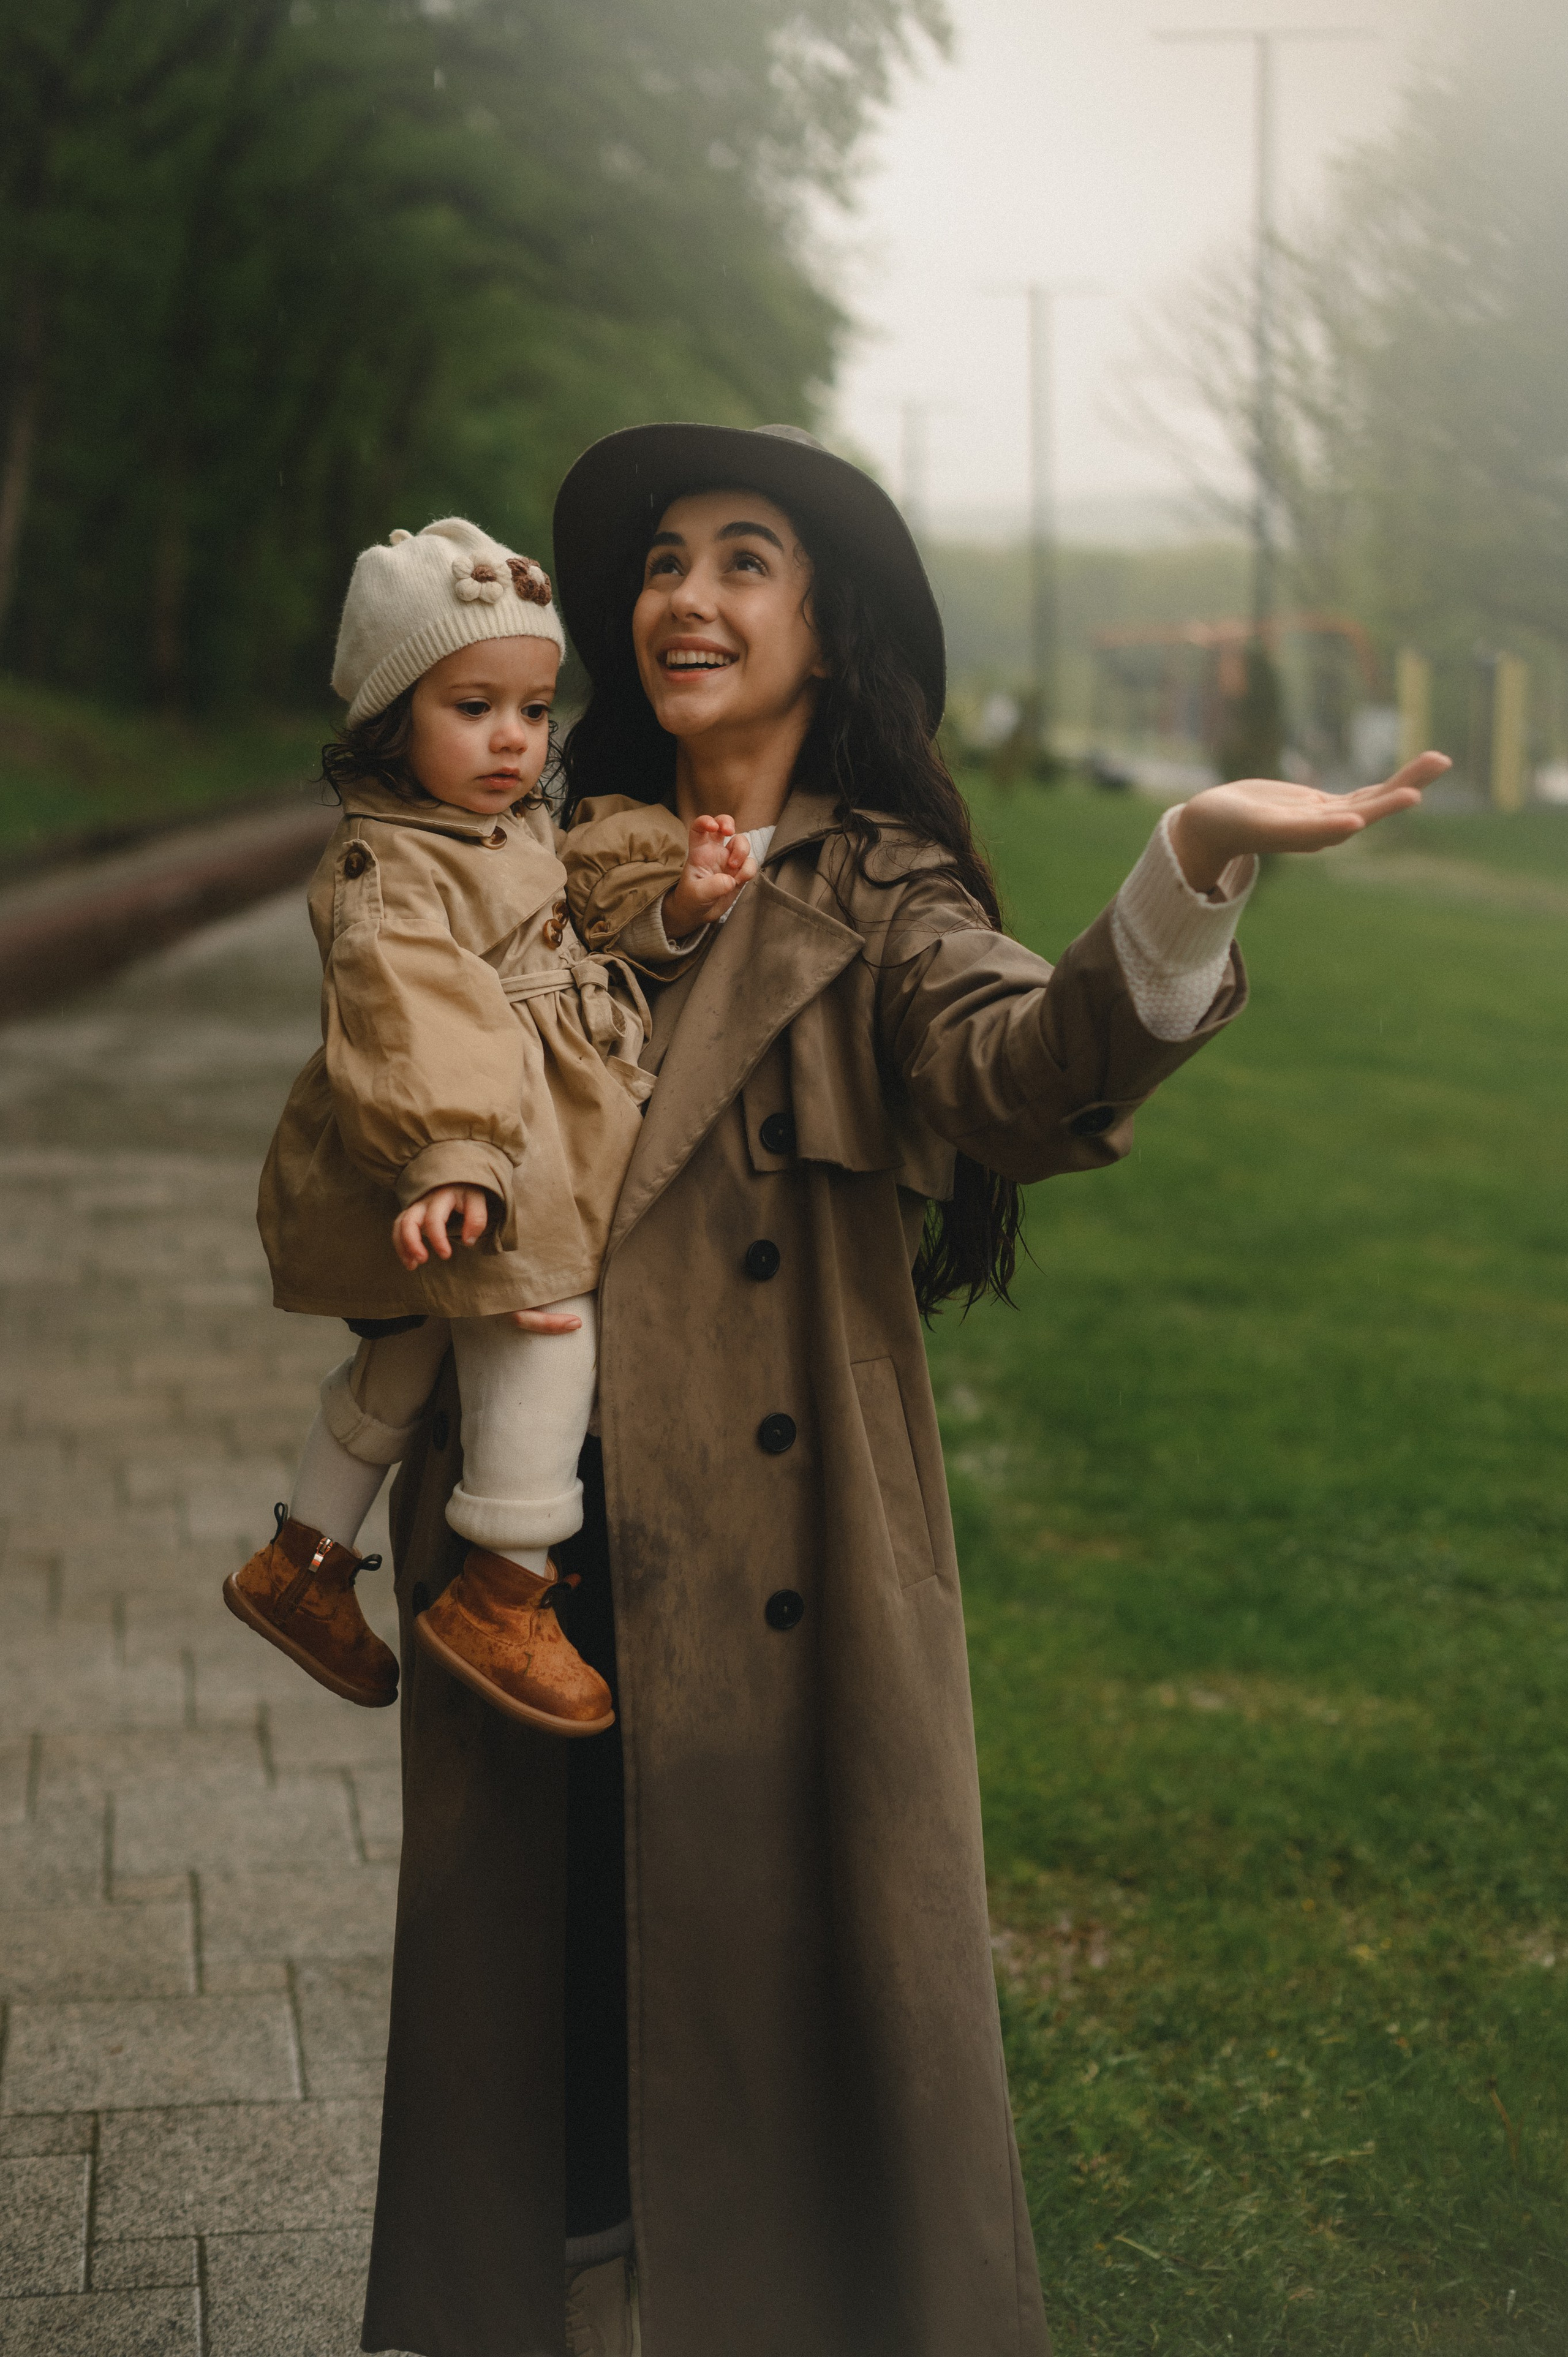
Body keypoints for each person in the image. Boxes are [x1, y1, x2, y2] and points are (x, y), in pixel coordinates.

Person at [360, 428, 1449, 2357]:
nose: (688, 597)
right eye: (666, 562)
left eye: (745, 561)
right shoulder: (536, 856)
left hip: (781, 1583)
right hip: (528, 1546)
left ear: (830, 633)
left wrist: (1188, 863)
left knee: (780, 2061)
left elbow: (1035, 1073)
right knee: (542, 2057)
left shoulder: (886, 899)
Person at [228, 515, 755, 1734]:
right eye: (473, 707)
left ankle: (302, 1560)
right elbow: (409, 1013)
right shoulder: (389, 867)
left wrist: (677, 897)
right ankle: (503, 1589)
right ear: (389, 719)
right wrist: (455, 1157)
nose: (513, 738)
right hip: (453, 1143)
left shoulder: (500, 829)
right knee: (543, 1320)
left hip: (482, 1142)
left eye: (532, 708)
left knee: (412, 1352)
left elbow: (568, 932)